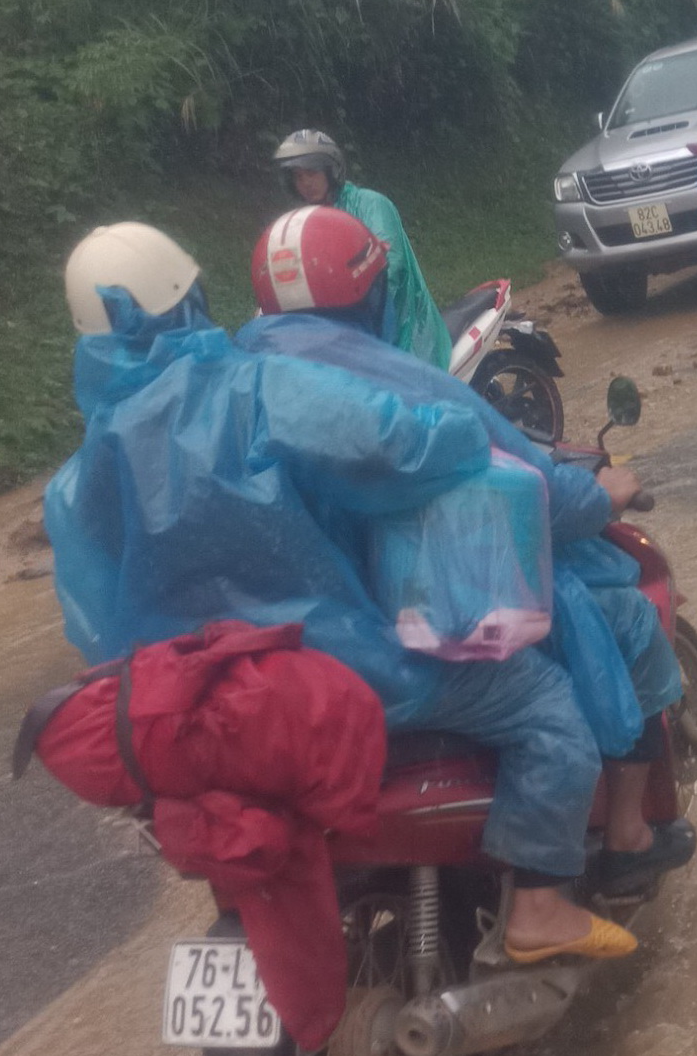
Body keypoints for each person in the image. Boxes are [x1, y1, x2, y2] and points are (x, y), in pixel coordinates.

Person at [46, 222, 635, 963]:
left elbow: (96, 630)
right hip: (338, 676)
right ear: (190, 297)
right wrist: (465, 424)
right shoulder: (254, 389)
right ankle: (541, 906)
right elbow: (399, 444)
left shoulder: (76, 483)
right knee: (548, 706)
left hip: (196, 719)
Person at [240, 205, 695, 899]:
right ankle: (619, 841)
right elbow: (545, 493)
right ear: (371, 293)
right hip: (393, 643)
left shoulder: (225, 383)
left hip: (279, 652)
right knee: (618, 626)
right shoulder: (405, 387)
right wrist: (606, 493)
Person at [273, 129, 452, 370]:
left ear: (331, 170)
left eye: (312, 173)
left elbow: (392, 264)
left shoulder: (370, 204)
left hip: (398, 326)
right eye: (298, 176)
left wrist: (351, 302)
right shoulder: (306, 221)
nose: (305, 183)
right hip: (343, 329)